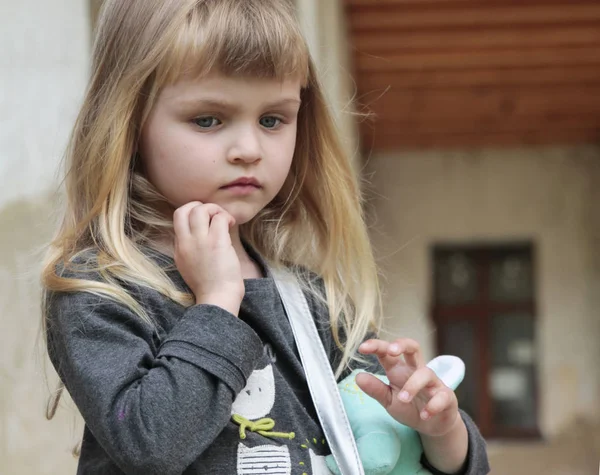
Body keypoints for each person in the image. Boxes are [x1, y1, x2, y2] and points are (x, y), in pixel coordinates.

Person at [41, 1, 490, 474]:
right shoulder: (98, 291)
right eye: (208, 119)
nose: (249, 150)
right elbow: (150, 447)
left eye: (273, 120)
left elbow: (391, 454)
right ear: (129, 123)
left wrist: (439, 432)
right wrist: (215, 305)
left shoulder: (312, 300)